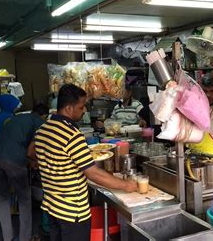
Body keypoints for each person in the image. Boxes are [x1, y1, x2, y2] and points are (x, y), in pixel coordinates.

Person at [33, 84, 137, 241]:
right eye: (81, 107)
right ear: (68, 108)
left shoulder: (43, 129)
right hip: (72, 212)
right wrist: (126, 185)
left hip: (52, 208)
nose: (84, 111)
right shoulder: (72, 135)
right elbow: (93, 173)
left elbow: (32, 153)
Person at [0, 103, 49, 241]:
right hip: (13, 160)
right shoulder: (39, 122)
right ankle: (25, 238)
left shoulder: (17, 118)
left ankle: (7, 237)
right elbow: (31, 151)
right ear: (44, 115)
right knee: (24, 199)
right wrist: (36, 162)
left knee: (2, 197)